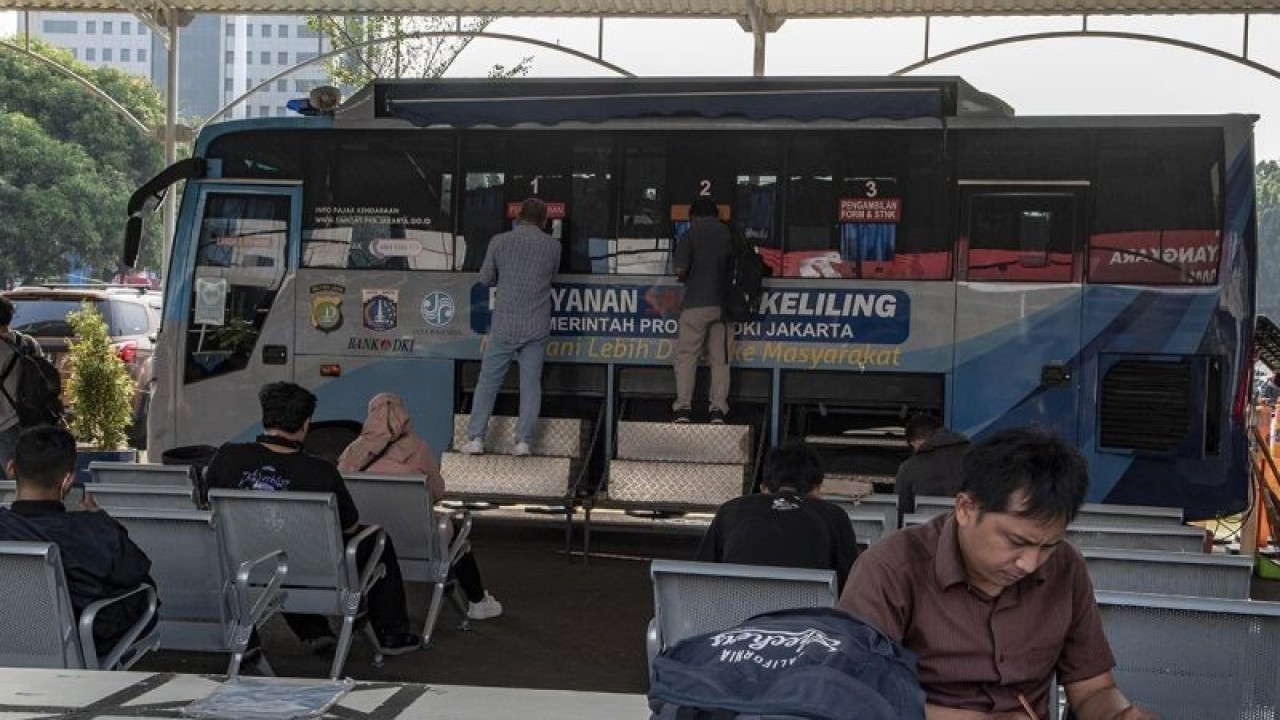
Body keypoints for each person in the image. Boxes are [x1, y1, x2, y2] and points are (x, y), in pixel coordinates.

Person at [839, 427, 1157, 720]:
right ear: (965, 509)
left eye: (1047, 546)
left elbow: (1093, 689)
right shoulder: (891, 567)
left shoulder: (1065, 566)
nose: (1030, 563)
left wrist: (1119, 714)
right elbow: (853, 695)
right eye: (1016, 542)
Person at [204, 382, 420, 654]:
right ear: (306, 424)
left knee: (271, 543)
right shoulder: (320, 471)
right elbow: (350, 526)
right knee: (376, 538)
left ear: (265, 418)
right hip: (306, 568)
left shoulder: (227, 457)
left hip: (241, 566)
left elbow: (206, 504)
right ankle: (392, 634)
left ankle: (313, 630)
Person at [338, 392, 503, 620]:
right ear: (404, 416)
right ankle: (478, 602)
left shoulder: (352, 451)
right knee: (456, 534)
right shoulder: (418, 448)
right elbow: (437, 492)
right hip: (417, 541)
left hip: (368, 541)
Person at [0, 426, 156, 655]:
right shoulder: (94, 530)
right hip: (74, 648)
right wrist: (100, 519)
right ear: (67, 480)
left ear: (11, 469)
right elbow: (136, 571)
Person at [460, 197, 562, 457]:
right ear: (545, 220)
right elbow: (552, 276)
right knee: (530, 385)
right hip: (535, 325)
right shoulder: (553, 246)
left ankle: (475, 439)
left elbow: (484, 278)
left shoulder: (499, 242)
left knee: (488, 383)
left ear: (518, 218)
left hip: (504, 324)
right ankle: (523, 442)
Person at [696, 440, 859, 592]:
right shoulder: (835, 516)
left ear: (764, 488)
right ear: (817, 489)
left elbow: (701, 578)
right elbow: (851, 588)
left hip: (736, 619)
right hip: (806, 620)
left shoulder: (730, 510)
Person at [671, 196, 733, 424]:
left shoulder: (690, 234)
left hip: (695, 304)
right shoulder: (729, 234)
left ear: (694, 216)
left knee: (687, 357)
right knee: (720, 360)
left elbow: (679, 268)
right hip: (724, 307)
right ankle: (717, 411)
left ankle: (683, 410)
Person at [0, 296, 46, 477]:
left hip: (3, 424)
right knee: (25, 477)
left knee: (10, 480)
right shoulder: (27, 342)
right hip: (29, 418)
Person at [896, 414, 970, 517]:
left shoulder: (909, 467)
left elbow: (901, 513)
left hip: (928, 530)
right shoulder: (975, 457)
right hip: (970, 529)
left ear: (915, 442)